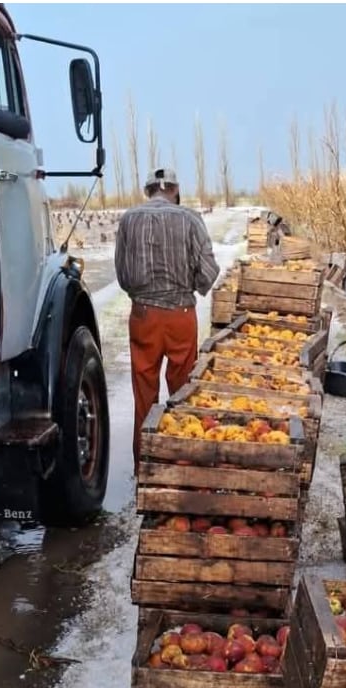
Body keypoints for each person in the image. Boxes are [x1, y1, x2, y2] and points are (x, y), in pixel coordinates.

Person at [114, 168, 220, 471]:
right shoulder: (189, 219)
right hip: (180, 316)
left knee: (144, 391)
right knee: (182, 390)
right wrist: (193, 288)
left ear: (149, 190)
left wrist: (141, 294)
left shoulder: (129, 219)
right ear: (175, 190)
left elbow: (122, 273)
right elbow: (209, 270)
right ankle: (178, 464)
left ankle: (145, 465)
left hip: (143, 316)